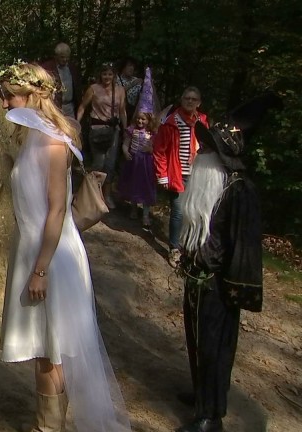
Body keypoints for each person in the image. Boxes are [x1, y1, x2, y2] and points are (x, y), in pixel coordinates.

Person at [0, 60, 130, 431]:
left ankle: (47, 428)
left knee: (50, 353)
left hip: (51, 254)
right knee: (47, 350)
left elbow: (56, 210)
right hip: (34, 249)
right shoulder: (32, 136)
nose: (4, 104)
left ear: (32, 96)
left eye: (9, 97)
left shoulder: (54, 142)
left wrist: (40, 270)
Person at [174, 93, 280, 432]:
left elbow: (245, 249)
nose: (200, 153)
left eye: (207, 149)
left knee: (216, 349)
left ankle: (211, 416)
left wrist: (235, 291)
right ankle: (202, 395)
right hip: (198, 281)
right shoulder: (212, 184)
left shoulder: (239, 189)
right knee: (197, 341)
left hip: (218, 287)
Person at [153, 87, 208, 267]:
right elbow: (160, 150)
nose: (189, 101)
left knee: (194, 211)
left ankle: (190, 245)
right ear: (181, 99)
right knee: (178, 211)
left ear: (198, 103)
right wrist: (162, 175)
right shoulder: (171, 122)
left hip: (197, 174)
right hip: (177, 173)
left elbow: (207, 146)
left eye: (193, 99)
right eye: (186, 98)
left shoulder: (202, 122)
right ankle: (174, 249)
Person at [76, 63, 128, 208]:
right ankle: (90, 194)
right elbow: (82, 107)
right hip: (97, 130)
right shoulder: (93, 89)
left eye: (110, 74)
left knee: (110, 164)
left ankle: (107, 195)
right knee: (98, 163)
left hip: (114, 130)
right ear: (100, 75)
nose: (107, 77)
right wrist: (76, 125)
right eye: (104, 74)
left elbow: (123, 111)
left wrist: (126, 130)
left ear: (114, 76)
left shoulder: (120, 90)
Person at [117, 67, 158, 229]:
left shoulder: (152, 133)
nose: (140, 122)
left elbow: (157, 148)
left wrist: (151, 150)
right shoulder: (131, 130)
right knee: (133, 184)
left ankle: (146, 213)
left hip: (146, 164)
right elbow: (125, 143)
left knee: (146, 186)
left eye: (144, 120)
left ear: (149, 120)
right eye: (139, 119)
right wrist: (125, 151)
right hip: (133, 161)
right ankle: (133, 208)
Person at [38, 42, 82, 118]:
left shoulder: (72, 67)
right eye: (62, 57)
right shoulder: (47, 68)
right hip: (54, 107)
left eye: (67, 57)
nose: (65, 59)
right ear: (56, 56)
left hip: (70, 107)